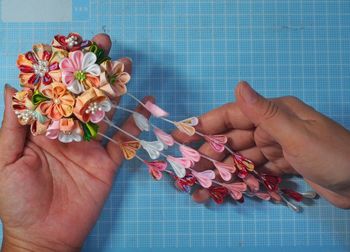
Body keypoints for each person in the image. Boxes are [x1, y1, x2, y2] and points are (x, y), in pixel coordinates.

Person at [0, 34, 349, 251]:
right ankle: (276, 190)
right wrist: (36, 243)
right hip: (71, 118)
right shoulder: (60, 117)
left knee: (196, 150)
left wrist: (34, 243)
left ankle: (276, 190)